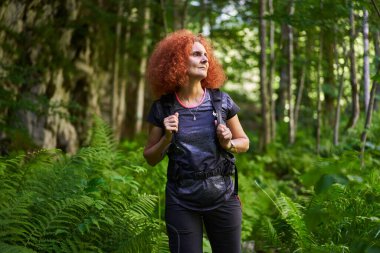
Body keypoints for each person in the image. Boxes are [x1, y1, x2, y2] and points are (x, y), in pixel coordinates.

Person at [143, 29, 249, 253]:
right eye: (196, 54)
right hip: (181, 202)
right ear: (178, 62)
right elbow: (150, 158)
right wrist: (167, 138)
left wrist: (228, 143)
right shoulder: (162, 108)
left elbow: (244, 142)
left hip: (223, 197)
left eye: (205, 55)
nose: (204, 59)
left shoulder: (221, 101)